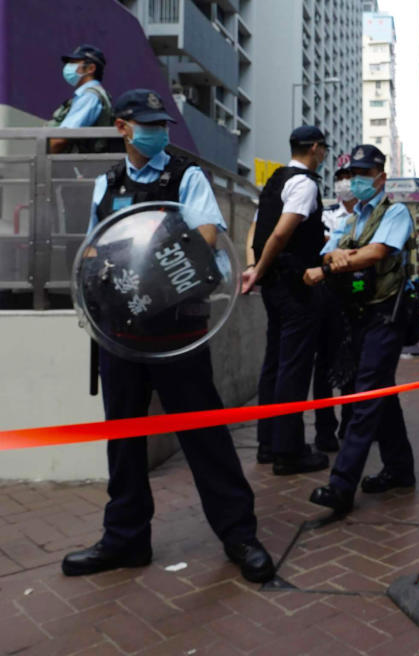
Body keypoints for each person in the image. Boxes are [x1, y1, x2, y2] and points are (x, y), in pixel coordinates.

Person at [62, 89, 274, 583]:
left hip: (177, 330)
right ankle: (125, 538)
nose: (157, 131)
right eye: (147, 123)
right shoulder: (107, 183)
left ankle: (239, 534)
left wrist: (154, 264)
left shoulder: (185, 176)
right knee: (124, 439)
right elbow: (94, 248)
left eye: (161, 124)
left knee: (204, 434)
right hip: (120, 333)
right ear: (123, 127)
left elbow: (204, 239)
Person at [302, 144, 416, 516]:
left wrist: (333, 264)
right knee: (380, 391)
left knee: (366, 394)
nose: (357, 181)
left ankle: (341, 485)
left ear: (381, 178)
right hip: (359, 316)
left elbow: (378, 253)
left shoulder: (394, 212)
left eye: (365, 175)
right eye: (354, 175)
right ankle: (400, 470)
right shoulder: (351, 220)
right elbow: (327, 251)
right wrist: (331, 257)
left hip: (387, 315)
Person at [240, 126, 331, 474]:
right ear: (313, 148)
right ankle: (289, 451)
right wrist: (259, 269)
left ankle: (267, 443)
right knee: (294, 366)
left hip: (274, 288)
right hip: (295, 285)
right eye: (322, 148)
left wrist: (255, 268)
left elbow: (256, 229)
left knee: (274, 363)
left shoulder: (276, 180)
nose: (323, 154)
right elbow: (279, 233)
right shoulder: (305, 184)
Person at [313, 163, 359, 450]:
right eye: (340, 178)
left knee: (354, 359)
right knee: (324, 364)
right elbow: (321, 248)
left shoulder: (369, 215)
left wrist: (336, 245)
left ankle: (351, 423)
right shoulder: (327, 215)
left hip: (357, 291)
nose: (344, 183)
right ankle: (324, 429)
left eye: (349, 178)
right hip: (328, 293)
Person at [49, 44, 112, 154]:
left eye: (74, 62)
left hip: (80, 166)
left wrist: (42, 161)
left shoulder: (89, 97)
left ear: (91, 68)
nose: (68, 67)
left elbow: (60, 139)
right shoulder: (88, 95)